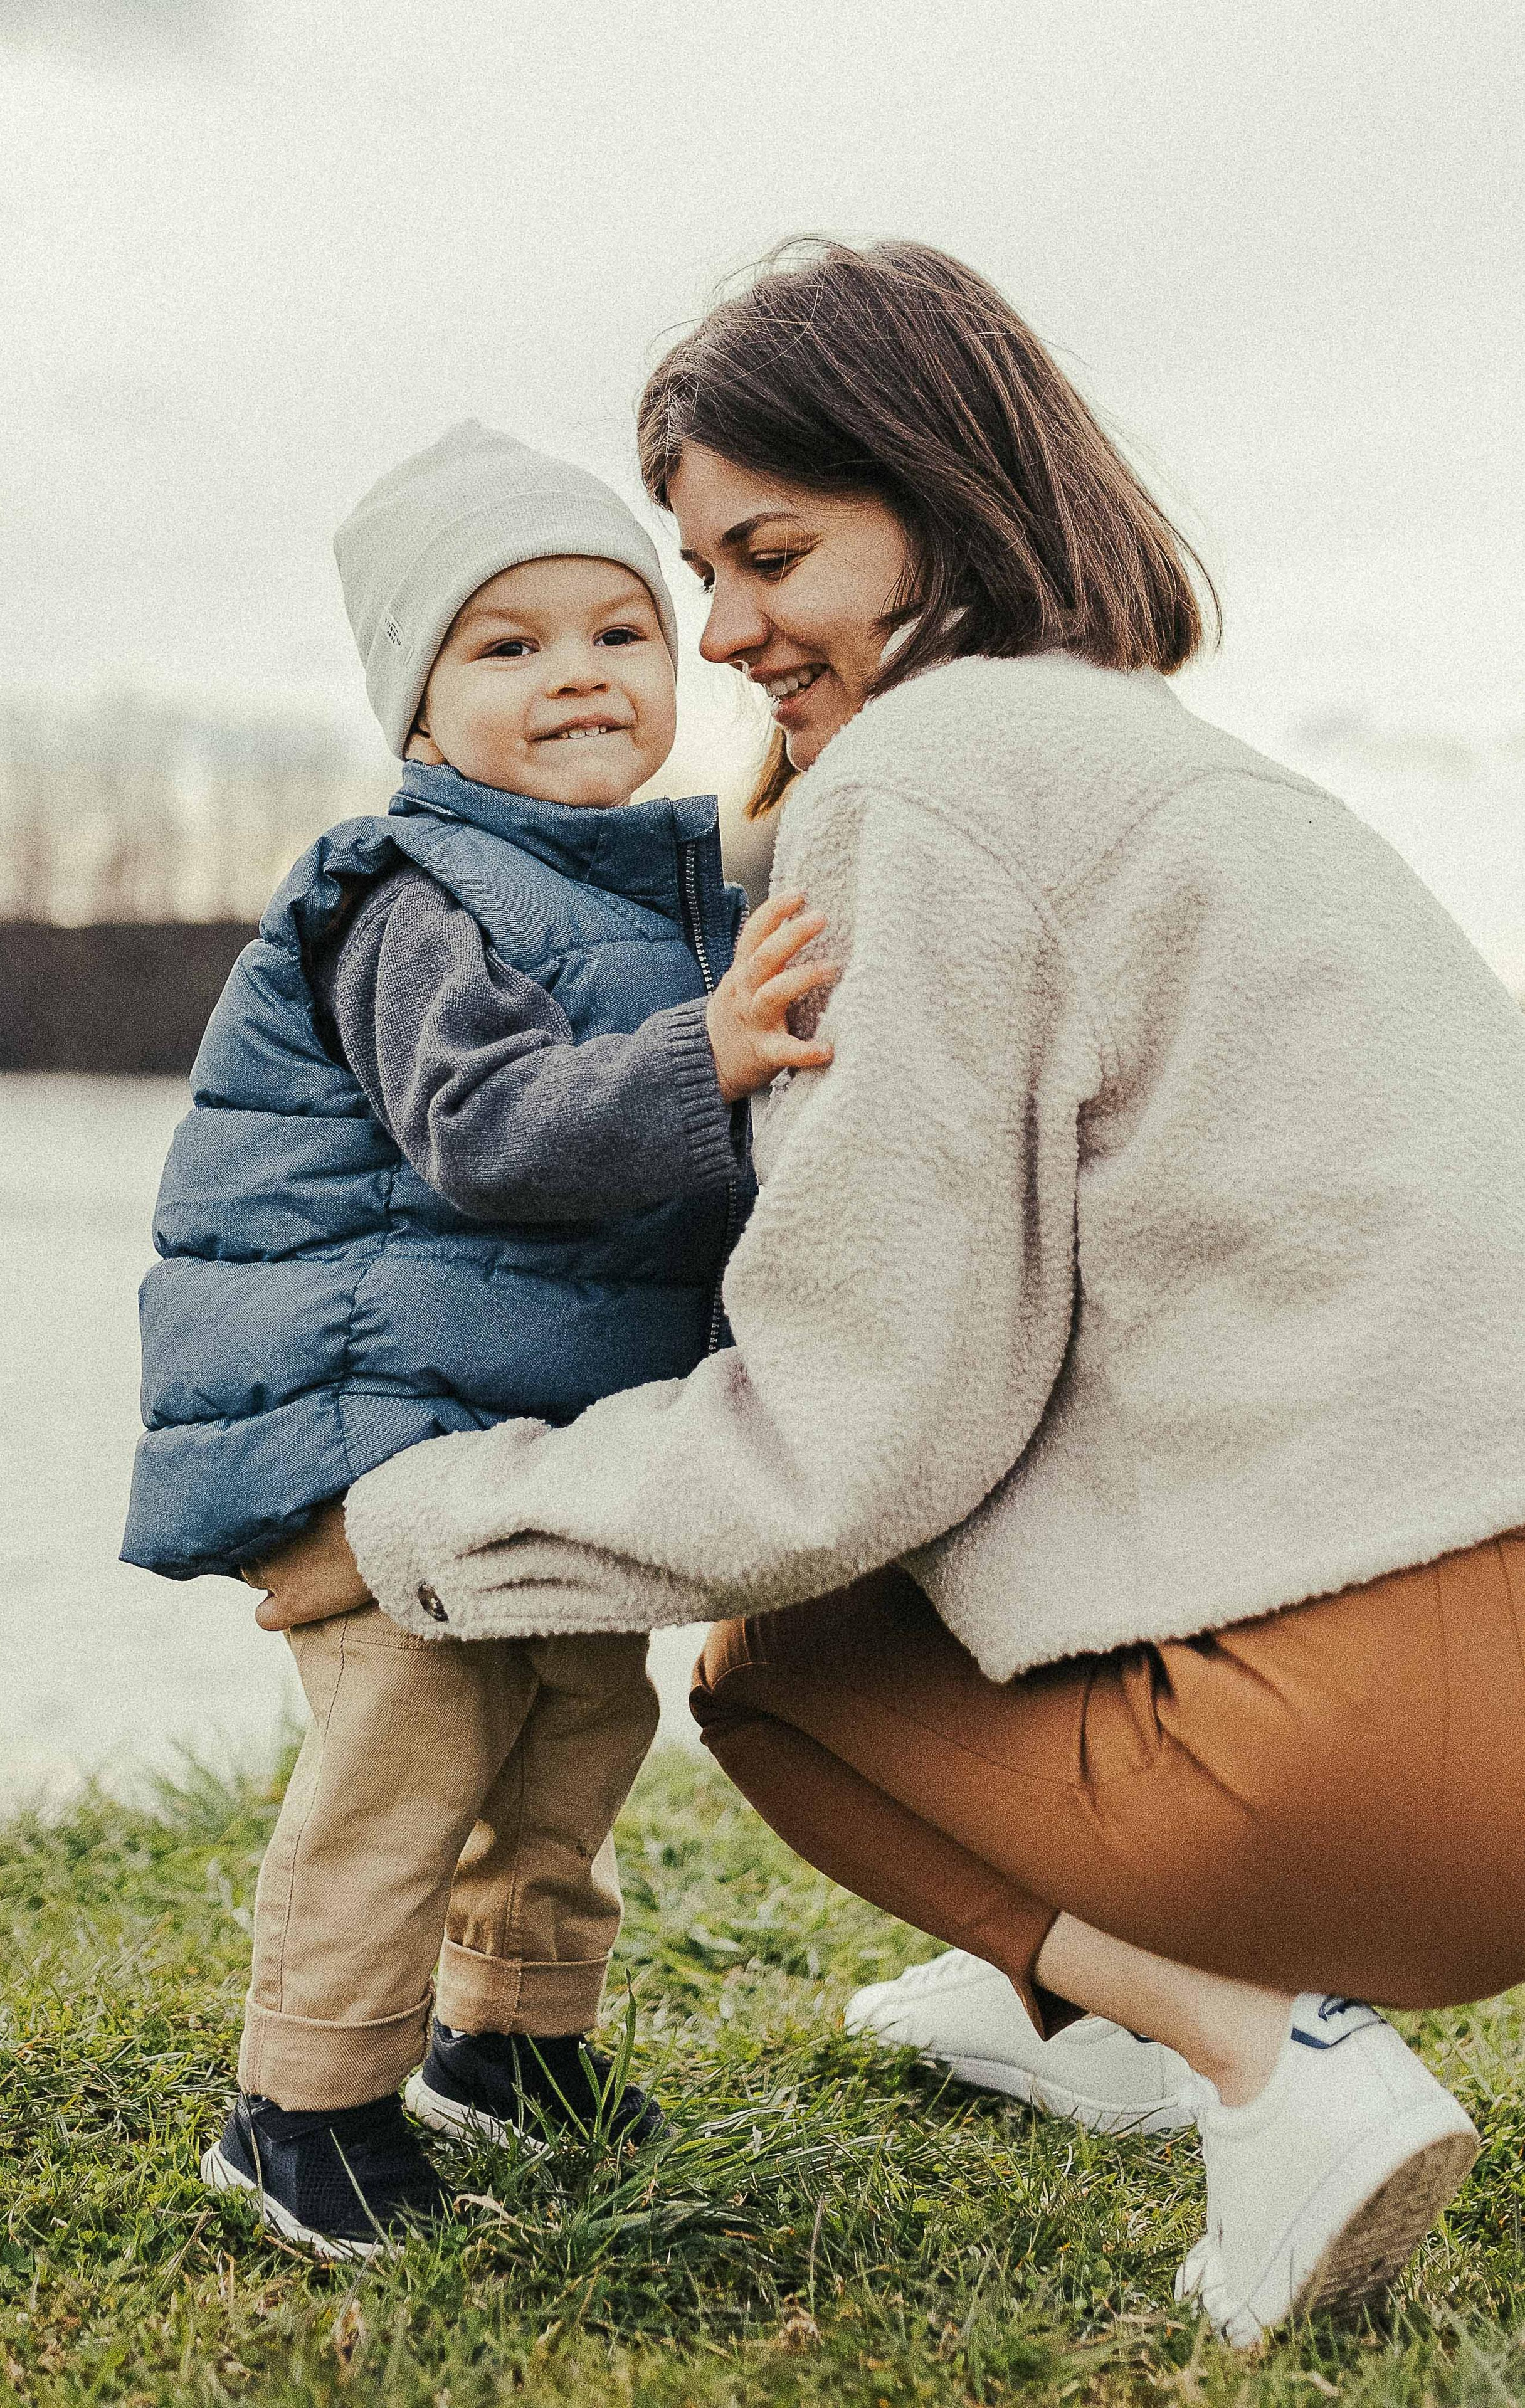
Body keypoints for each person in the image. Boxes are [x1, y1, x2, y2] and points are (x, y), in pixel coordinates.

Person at [246, 244, 1525, 2343]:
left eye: (772, 554)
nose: (724, 631)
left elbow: (850, 1442)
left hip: (1380, 1770)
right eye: (699, 569)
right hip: (1481, 1692)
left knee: (782, 1656)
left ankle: (1245, 2049)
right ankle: (1068, 2003)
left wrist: (413, 1524)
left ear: (942, 493)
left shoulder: (914, 796)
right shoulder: (1200, 777)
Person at [120, 418, 833, 2258]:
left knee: (579, 1718)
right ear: (421, 717)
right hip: (372, 1425)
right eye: (508, 647)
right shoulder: (407, 894)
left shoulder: (670, 886)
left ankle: (508, 2046)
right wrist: (717, 1054)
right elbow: (494, 1135)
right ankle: (304, 2101)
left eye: (617, 631)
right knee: (416, 1751)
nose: (579, 674)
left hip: (536, 1434)